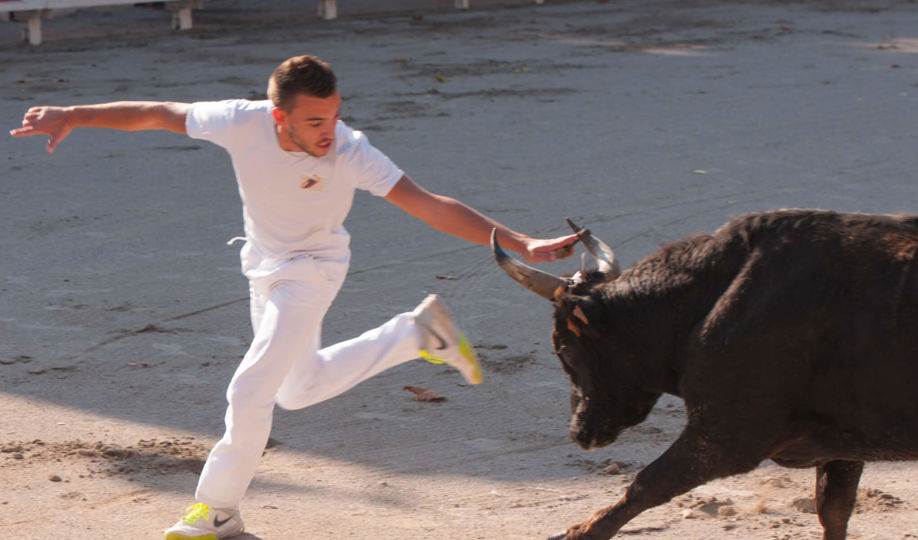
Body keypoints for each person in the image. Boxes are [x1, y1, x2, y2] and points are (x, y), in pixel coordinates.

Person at [10, 55, 578, 540]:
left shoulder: (350, 149)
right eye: (314, 121)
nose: (328, 130)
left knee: (250, 387)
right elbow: (161, 113)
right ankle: (417, 334)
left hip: (313, 272)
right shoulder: (240, 121)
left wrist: (521, 241)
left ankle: (217, 512)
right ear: (279, 117)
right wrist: (72, 115)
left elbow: (428, 204)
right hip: (264, 267)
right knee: (297, 390)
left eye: (333, 116)